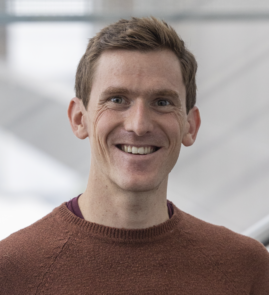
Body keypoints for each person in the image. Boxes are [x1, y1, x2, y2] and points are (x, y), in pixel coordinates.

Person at [0, 17, 268, 294]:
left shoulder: (245, 267)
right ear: (79, 118)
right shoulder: (11, 270)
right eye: (117, 99)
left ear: (190, 126)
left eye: (162, 102)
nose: (139, 125)